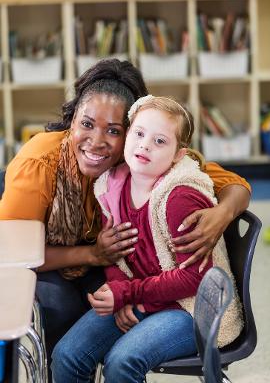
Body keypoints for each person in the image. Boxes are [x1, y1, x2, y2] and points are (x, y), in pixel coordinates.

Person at [0, 59, 250, 369]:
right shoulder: (40, 163)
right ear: (73, 120)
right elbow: (12, 252)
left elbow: (234, 184)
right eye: (86, 124)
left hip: (114, 265)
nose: (96, 141)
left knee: (109, 325)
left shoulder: (145, 158)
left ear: (130, 133)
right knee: (60, 307)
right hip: (46, 260)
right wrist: (92, 254)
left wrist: (222, 213)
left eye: (114, 131)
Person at [51, 95, 243, 383]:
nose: (144, 145)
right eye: (139, 134)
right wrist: (120, 291)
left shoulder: (180, 198)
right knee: (67, 355)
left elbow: (196, 280)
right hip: (146, 295)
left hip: (192, 307)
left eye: (160, 141)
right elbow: (115, 253)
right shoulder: (112, 185)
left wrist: (128, 294)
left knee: (122, 362)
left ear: (179, 154)